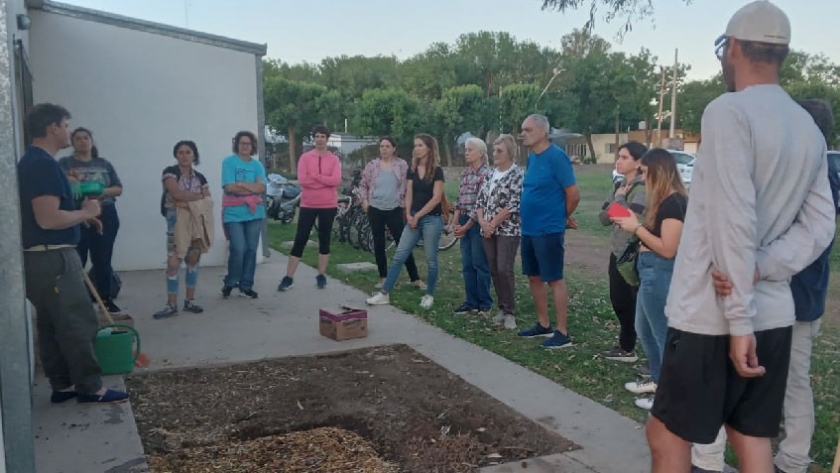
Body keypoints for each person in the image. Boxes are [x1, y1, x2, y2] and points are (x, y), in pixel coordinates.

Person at [645, 3, 836, 472]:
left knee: (666, 434)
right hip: (771, 308)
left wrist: (739, 320)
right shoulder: (806, 127)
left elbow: (734, 215)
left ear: (731, 48)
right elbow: (819, 226)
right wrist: (761, 266)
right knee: (752, 436)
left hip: (715, 314)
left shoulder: (728, 111)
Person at [690, 99, 840, 473]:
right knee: (789, 382)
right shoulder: (822, 167)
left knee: (739, 377)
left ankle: (725, 458)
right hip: (797, 296)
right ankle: (788, 459)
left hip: (778, 295)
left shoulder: (806, 169)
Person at [18, 103, 129, 404]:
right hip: (54, 257)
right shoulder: (43, 165)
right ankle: (91, 387)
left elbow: (46, 214)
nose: (69, 131)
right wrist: (85, 212)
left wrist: (80, 216)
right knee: (78, 321)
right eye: (66, 125)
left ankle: (62, 385)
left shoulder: (33, 161)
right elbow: (47, 218)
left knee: (52, 323)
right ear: (53, 127)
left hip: (40, 257)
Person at [611, 149, 687, 411]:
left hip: (660, 271)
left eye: (644, 172)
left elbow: (668, 249)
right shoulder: (663, 200)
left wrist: (637, 228)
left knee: (662, 333)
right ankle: (658, 382)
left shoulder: (674, 203)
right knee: (643, 329)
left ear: (657, 171)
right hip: (649, 269)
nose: (641, 177)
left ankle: (672, 395)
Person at [515, 114, 580, 349]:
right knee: (534, 276)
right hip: (529, 229)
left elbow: (573, 194)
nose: (523, 133)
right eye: (522, 129)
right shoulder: (533, 158)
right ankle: (543, 324)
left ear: (542, 131)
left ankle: (562, 332)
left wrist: (559, 218)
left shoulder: (557, 157)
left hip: (548, 230)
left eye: (528, 129)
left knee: (553, 278)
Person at [366, 134, 445, 310]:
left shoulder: (437, 171)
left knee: (431, 259)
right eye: (415, 145)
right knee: (400, 254)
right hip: (413, 216)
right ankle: (385, 293)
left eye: (420, 145)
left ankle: (429, 294)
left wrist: (418, 216)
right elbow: (408, 193)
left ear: (429, 149)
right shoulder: (412, 169)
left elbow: (436, 198)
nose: (416, 148)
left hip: (432, 219)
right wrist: (409, 214)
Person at [58, 128, 123, 314]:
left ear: (92, 141)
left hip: (106, 214)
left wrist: (102, 192)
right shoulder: (65, 163)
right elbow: (59, 181)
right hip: (78, 215)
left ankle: (106, 299)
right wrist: (71, 179)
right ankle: (78, 301)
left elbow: (119, 188)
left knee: (103, 258)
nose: (82, 141)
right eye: (77, 138)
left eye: (86, 138)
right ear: (72, 143)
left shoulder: (104, 164)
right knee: (77, 259)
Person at [598, 141, 647, 362]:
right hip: (617, 251)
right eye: (618, 156)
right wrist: (617, 203)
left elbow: (628, 218)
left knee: (634, 303)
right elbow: (603, 219)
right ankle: (626, 345)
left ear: (638, 163)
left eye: (625, 157)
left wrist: (618, 200)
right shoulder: (619, 183)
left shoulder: (643, 188)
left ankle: (632, 347)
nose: (618, 160)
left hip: (634, 254)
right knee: (618, 300)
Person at [278, 125, 342, 291]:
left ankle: (321, 274)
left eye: (323, 136)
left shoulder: (333, 159)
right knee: (301, 238)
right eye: (317, 136)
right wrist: (323, 181)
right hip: (308, 204)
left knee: (324, 238)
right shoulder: (305, 158)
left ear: (327, 139)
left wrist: (317, 177)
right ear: (314, 139)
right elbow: (303, 180)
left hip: (328, 205)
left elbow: (335, 180)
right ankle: (289, 277)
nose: (320, 139)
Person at [153, 140, 212, 319]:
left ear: (194, 155)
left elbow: (207, 200)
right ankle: (171, 304)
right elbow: (175, 194)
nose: (184, 155)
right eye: (181, 152)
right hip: (176, 219)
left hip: (195, 220)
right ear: (176, 155)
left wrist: (186, 202)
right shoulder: (170, 173)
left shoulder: (200, 177)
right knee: (174, 259)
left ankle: (190, 300)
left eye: (188, 152)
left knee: (193, 256)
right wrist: (196, 200)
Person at [359, 136, 426, 290]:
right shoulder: (372, 165)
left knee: (402, 243)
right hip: (375, 208)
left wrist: (407, 205)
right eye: (382, 146)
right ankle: (383, 277)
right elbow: (363, 185)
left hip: (395, 208)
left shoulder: (401, 165)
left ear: (394, 148)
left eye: (387, 146)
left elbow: (409, 186)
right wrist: (364, 201)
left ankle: (415, 278)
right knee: (379, 243)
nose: (384, 149)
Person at [474, 134, 524, 330]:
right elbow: (480, 201)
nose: (495, 154)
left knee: (504, 268)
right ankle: (502, 307)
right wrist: (483, 222)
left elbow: (513, 204)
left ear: (510, 153)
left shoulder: (517, 174)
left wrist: (493, 223)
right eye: (494, 150)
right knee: (494, 268)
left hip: (508, 229)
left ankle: (510, 311)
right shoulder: (490, 174)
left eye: (499, 151)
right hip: (487, 229)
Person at [221, 130, 266, 299]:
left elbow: (261, 188)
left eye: (248, 143)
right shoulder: (229, 163)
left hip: (254, 213)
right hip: (233, 213)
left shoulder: (257, 165)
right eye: (242, 143)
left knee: (251, 249)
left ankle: (246, 285)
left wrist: (241, 184)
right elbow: (229, 187)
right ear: (237, 145)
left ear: (252, 145)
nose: (245, 146)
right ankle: (231, 281)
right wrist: (252, 186)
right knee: (238, 248)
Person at [452, 137, 493, 316]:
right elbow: (460, 200)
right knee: (467, 263)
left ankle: (485, 302)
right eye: (466, 150)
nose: (466, 153)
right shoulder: (465, 173)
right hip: (463, 222)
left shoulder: (487, 174)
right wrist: (455, 221)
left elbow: (480, 204)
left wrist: (467, 225)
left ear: (480, 153)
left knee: (479, 263)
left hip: (476, 224)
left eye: (470, 150)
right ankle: (471, 302)